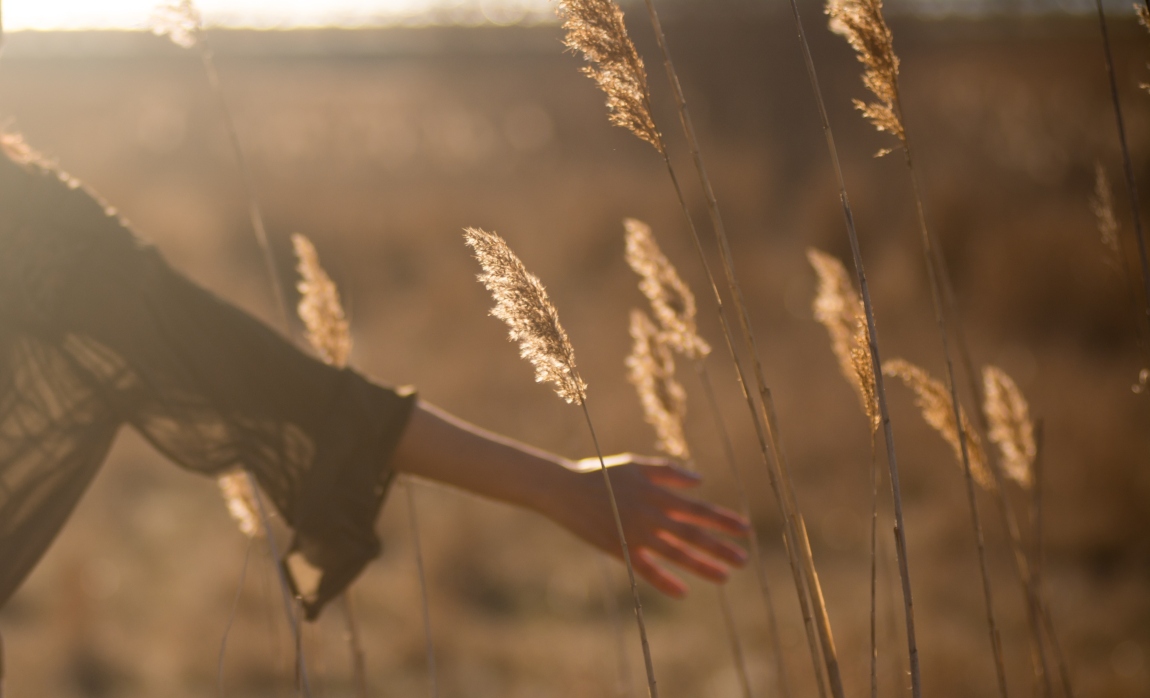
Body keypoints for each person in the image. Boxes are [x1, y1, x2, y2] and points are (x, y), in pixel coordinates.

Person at [0, 134, 748, 621]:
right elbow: (284, 386)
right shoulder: (34, 222)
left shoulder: (34, 224)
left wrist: (554, 484)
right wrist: (553, 484)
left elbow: (273, 382)